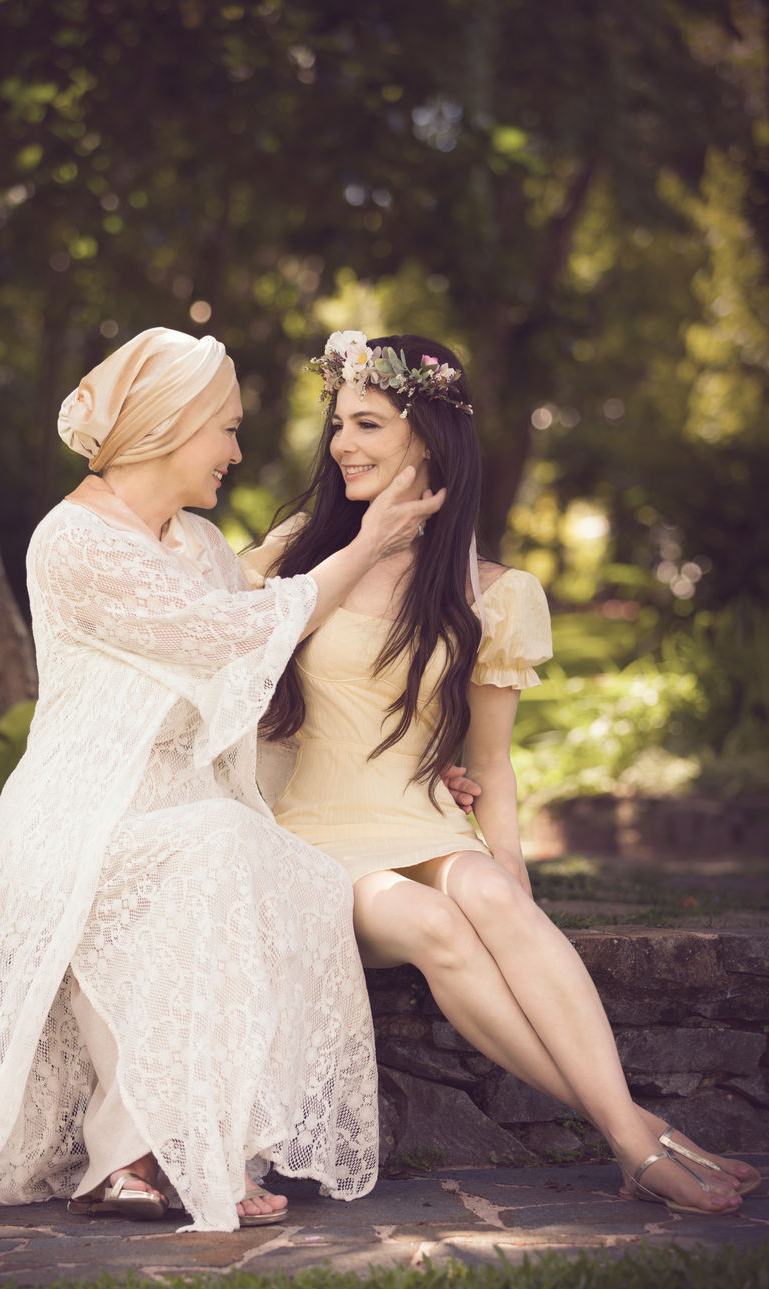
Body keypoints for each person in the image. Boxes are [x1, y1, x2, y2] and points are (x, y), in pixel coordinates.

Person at [0, 327, 444, 1235]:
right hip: (80, 811)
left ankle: (180, 1150)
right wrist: (369, 541)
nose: (235, 450)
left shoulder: (197, 541)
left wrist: (420, 773)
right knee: (214, 847)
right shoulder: (73, 541)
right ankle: (158, 1153)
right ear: (170, 427)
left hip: (181, 799)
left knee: (273, 862)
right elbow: (228, 635)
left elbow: (255, 691)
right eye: (225, 429)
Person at [242, 330, 760, 1216]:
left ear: (430, 438)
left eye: (367, 423)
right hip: (310, 835)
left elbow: (491, 761)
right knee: (431, 921)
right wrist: (367, 541)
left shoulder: (492, 593)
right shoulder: (299, 553)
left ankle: (634, 1140)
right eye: (338, 425)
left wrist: (511, 870)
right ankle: (634, 1133)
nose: (342, 444)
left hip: (425, 815)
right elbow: (235, 685)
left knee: (486, 890)